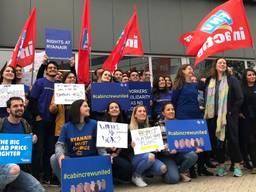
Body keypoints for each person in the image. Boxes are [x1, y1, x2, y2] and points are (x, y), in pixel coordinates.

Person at [204, 57, 243, 177]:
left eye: (224, 63)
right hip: (213, 116)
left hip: (229, 117)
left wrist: (231, 112)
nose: (222, 64)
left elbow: (240, 98)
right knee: (217, 142)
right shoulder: (210, 80)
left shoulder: (232, 80)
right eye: (220, 62)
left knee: (232, 141)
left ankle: (236, 165)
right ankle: (221, 165)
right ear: (215, 65)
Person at [172, 64, 213, 177]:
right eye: (189, 68)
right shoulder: (178, 86)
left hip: (196, 115)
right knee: (189, 144)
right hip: (183, 116)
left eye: (191, 69)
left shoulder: (195, 85)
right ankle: (191, 170)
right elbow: (174, 102)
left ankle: (201, 167)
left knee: (200, 142)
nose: (191, 70)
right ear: (183, 71)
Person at [50, 100, 105, 182]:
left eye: (88, 106)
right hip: (74, 160)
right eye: (85, 106)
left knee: (106, 158)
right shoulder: (66, 127)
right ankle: (66, 184)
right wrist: (60, 155)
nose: (88, 108)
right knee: (54, 158)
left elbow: (100, 145)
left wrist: (105, 156)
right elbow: (59, 144)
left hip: (91, 160)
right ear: (77, 109)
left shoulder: (94, 124)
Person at [0, 97, 44, 191]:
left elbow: (25, 152)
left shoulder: (25, 124)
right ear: (8, 110)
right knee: (14, 169)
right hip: (2, 166)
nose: (19, 108)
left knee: (38, 189)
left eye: (21, 105)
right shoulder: (1, 123)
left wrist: (32, 141)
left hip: (19, 169)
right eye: (15, 106)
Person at [30, 60, 58, 182]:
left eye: (54, 68)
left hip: (53, 122)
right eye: (50, 67)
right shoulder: (40, 82)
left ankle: (47, 177)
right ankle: (36, 177)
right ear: (46, 70)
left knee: (50, 150)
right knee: (38, 149)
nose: (52, 69)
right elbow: (32, 99)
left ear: (57, 70)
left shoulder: (59, 84)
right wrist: (36, 114)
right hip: (40, 120)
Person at [157, 102, 198, 184]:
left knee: (193, 155)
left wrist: (195, 147)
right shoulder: (158, 126)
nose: (171, 111)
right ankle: (173, 172)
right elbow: (158, 146)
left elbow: (186, 141)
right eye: (168, 110)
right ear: (163, 113)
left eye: (172, 109)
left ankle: (178, 171)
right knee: (173, 179)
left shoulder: (180, 124)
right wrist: (168, 150)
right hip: (166, 156)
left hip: (179, 154)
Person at [130, 105, 167, 187]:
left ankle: (142, 173)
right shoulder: (129, 129)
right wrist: (130, 145)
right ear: (135, 115)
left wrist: (157, 148)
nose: (142, 113)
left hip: (149, 157)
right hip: (135, 159)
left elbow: (153, 146)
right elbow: (124, 149)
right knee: (150, 156)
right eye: (139, 111)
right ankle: (136, 175)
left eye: (144, 111)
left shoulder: (150, 127)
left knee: (163, 169)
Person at [103, 101, 132, 183]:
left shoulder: (124, 125)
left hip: (119, 153)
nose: (114, 109)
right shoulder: (102, 125)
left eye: (116, 107)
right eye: (111, 108)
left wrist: (117, 152)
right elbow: (99, 142)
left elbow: (127, 142)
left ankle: (116, 177)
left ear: (119, 110)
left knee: (128, 168)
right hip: (104, 153)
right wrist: (107, 150)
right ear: (108, 111)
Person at [49, 72, 78, 137]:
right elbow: (51, 110)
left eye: (74, 77)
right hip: (63, 124)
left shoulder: (80, 92)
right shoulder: (58, 91)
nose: (72, 79)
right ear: (64, 80)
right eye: (69, 77)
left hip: (77, 125)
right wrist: (56, 103)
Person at [240, 69, 256, 173]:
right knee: (251, 142)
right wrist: (239, 112)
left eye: (253, 74)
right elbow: (236, 101)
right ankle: (254, 165)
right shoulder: (241, 88)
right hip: (247, 119)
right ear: (245, 77)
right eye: (249, 75)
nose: (252, 76)